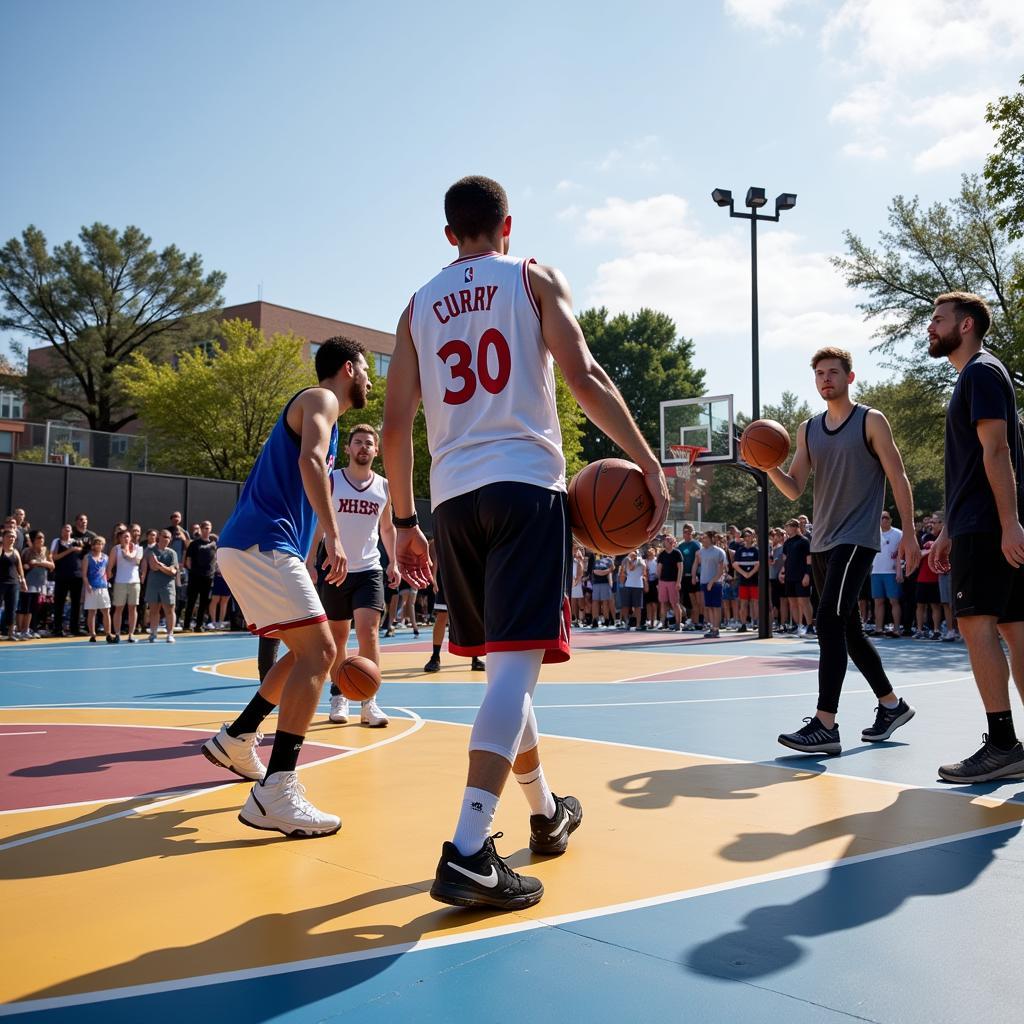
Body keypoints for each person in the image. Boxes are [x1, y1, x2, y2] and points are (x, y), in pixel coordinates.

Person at [382, 175, 668, 910]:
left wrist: (406, 524)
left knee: (505, 671)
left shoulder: (417, 307)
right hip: (524, 486)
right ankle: (469, 850)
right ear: (507, 224)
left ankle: (545, 813)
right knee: (513, 678)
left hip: (452, 501)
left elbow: (394, 428)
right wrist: (647, 462)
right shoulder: (532, 277)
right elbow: (584, 374)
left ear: (450, 234)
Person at [200, 336, 367, 837]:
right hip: (261, 544)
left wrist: (311, 553)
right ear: (346, 368)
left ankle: (239, 735)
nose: (369, 380)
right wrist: (334, 539)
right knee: (321, 654)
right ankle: (275, 790)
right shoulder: (320, 400)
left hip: (261, 546)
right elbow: (310, 463)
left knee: (305, 652)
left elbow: (307, 479)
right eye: (365, 370)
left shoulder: (327, 416)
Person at [767, 346, 920, 754]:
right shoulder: (808, 429)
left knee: (829, 622)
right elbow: (795, 487)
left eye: (833, 372)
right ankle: (891, 705)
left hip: (857, 538)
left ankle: (825, 725)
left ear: (849, 377)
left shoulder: (871, 420)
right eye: (819, 374)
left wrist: (908, 533)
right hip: (822, 542)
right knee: (847, 629)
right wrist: (768, 466)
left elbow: (898, 475)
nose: (825, 379)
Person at [926, 292, 1024, 781]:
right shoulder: (980, 374)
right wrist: (947, 530)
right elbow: (970, 468)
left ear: (965, 326)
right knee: (1015, 628)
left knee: (977, 625)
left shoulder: (981, 372)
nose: (931, 327)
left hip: (987, 527)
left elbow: (996, 449)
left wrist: (1008, 522)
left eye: (938, 319)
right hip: (980, 523)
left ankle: (1003, 745)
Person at [308, 423, 396, 728]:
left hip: (369, 569)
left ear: (376, 450)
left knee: (369, 632)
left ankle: (369, 702)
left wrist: (393, 562)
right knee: (339, 637)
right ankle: (339, 694)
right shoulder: (332, 481)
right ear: (347, 448)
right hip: (335, 568)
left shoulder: (384, 486)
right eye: (357, 442)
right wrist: (309, 561)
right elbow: (319, 523)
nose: (363, 447)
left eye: (368, 443)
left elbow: (387, 527)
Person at [871, 511, 904, 637]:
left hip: (891, 571)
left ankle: (896, 629)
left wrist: (899, 570)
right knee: (878, 601)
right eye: (881, 518)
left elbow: (902, 552)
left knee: (893, 600)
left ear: (890, 520)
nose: (884, 520)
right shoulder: (873, 533)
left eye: (886, 518)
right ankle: (879, 628)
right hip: (876, 571)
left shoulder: (898, 534)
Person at [108, 527, 143, 643]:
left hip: (134, 582)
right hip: (120, 583)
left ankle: (131, 634)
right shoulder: (115, 549)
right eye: (124, 537)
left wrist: (128, 554)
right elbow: (110, 566)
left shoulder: (138, 548)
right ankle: (117, 634)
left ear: (131, 538)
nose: (126, 539)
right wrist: (107, 576)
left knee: (133, 609)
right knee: (118, 609)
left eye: (128, 536)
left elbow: (137, 561)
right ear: (120, 538)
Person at [50, 523, 84, 637]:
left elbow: (83, 556)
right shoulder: (57, 541)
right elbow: (54, 557)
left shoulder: (77, 542)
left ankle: (75, 628)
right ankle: (57, 629)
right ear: (61, 531)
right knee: (59, 603)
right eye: (65, 529)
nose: (67, 531)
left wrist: (80, 548)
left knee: (76, 604)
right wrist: (70, 550)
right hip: (61, 576)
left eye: (69, 530)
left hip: (76, 576)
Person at [144, 529, 179, 642]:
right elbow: (153, 567)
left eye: (168, 537)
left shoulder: (172, 553)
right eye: (164, 536)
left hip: (168, 586)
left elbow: (173, 571)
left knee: (169, 610)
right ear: (159, 537)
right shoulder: (151, 551)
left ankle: (170, 634)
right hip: (153, 585)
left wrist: (160, 566)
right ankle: (153, 634)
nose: (166, 539)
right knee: (154, 610)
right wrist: (163, 567)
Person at [17, 531, 53, 638]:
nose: (41, 540)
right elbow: (21, 566)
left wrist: (38, 563)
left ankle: (28, 629)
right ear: (33, 539)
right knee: (24, 607)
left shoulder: (46, 551)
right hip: (28, 583)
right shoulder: (26, 551)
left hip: (40, 584)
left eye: (42, 537)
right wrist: (27, 566)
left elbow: (52, 566)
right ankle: (20, 630)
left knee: (33, 608)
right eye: (38, 538)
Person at [779, 519, 812, 634]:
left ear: (794, 527)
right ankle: (799, 625)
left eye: (788, 527)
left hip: (801, 576)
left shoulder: (804, 541)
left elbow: (809, 560)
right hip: (790, 576)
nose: (786, 529)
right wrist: (782, 573)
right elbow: (785, 560)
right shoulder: (787, 543)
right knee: (792, 602)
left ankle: (810, 626)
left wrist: (807, 575)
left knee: (804, 601)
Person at [183, 521, 217, 631]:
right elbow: (188, 560)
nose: (207, 530)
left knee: (204, 603)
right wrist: (193, 571)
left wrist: (213, 571)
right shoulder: (194, 544)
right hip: (195, 577)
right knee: (191, 601)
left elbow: (216, 560)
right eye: (205, 528)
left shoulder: (214, 545)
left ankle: (199, 625)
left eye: (208, 528)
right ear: (201, 529)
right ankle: (186, 625)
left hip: (208, 578)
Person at [693, 530, 726, 637]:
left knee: (716, 606)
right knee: (709, 606)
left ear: (711, 539)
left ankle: (716, 629)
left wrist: (712, 581)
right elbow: (696, 564)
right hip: (704, 582)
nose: (703, 539)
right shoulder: (701, 552)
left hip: (716, 583)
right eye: (702, 537)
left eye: (705, 537)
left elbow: (721, 570)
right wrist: (694, 576)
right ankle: (712, 628)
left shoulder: (719, 552)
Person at [82, 536, 113, 643]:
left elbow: (108, 571)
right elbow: (84, 574)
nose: (99, 546)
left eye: (101, 544)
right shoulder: (87, 558)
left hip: (103, 587)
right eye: (97, 543)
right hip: (92, 588)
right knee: (92, 612)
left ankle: (108, 633)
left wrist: (109, 577)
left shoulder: (106, 557)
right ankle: (92, 634)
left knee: (106, 611)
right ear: (93, 545)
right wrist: (87, 585)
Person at [0, 527, 26, 640]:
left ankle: (11, 633)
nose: (12, 538)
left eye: (13, 537)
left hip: (13, 584)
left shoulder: (15, 552)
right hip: (0, 583)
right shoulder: (0, 550)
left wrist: (23, 581)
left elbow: (19, 568)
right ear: (3, 538)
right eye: (9, 536)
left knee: (12, 608)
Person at [732, 528, 759, 633]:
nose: (748, 538)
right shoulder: (740, 550)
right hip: (743, 581)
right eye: (746, 536)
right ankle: (743, 624)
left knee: (755, 602)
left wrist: (750, 573)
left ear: (753, 537)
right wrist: (744, 574)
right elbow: (735, 564)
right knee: (743, 603)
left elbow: (758, 564)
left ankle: (755, 622)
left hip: (754, 580)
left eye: (750, 535)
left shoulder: (756, 550)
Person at [656, 534, 683, 630]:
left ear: (671, 543)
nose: (664, 542)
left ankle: (678, 624)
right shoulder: (662, 554)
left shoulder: (677, 553)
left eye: (666, 541)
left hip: (673, 581)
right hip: (663, 581)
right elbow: (659, 568)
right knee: (663, 603)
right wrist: (658, 582)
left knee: (675, 603)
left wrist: (678, 582)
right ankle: (663, 623)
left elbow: (680, 568)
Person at [677, 524, 701, 628]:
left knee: (696, 601)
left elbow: (699, 561)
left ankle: (697, 622)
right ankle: (689, 620)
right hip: (683, 577)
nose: (686, 533)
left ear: (692, 533)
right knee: (685, 601)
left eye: (688, 531)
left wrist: (694, 575)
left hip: (693, 576)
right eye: (684, 531)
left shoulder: (696, 545)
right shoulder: (681, 546)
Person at [618, 548, 646, 629]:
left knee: (638, 606)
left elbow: (633, 568)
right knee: (625, 605)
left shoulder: (641, 561)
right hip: (628, 585)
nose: (632, 554)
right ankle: (626, 622)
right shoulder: (626, 560)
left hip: (638, 586)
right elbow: (623, 572)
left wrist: (631, 559)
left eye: (634, 553)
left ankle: (637, 624)